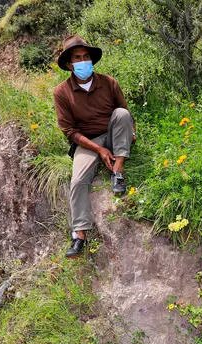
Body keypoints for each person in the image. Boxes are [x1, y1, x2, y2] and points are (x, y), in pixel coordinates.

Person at [52, 35, 135, 258]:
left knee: (122, 115)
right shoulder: (61, 92)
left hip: (111, 131)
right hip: (87, 141)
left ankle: (117, 172)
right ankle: (79, 234)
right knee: (78, 181)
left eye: (86, 56)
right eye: (77, 58)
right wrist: (99, 149)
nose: (83, 61)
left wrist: (128, 132)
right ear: (69, 64)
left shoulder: (109, 82)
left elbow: (124, 112)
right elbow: (69, 131)